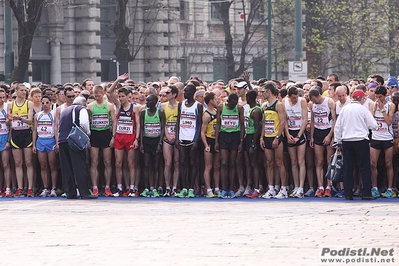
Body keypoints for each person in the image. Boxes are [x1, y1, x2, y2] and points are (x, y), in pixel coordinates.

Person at [334, 90, 378, 200]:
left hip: (347, 140)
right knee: (364, 167)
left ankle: (348, 193)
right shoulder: (363, 109)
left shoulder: (345, 109)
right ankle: (366, 192)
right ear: (361, 99)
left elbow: (338, 126)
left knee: (348, 167)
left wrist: (338, 140)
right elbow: (373, 125)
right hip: (361, 140)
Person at [57, 96, 97, 199]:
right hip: (74, 139)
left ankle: (70, 192)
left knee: (67, 167)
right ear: (84, 104)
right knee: (79, 166)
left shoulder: (65, 110)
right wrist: (87, 134)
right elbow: (83, 123)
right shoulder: (81, 109)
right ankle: (84, 192)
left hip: (62, 140)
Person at [260, 81, 288, 199]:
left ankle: (284, 188)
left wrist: (277, 137)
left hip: (276, 137)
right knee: (269, 163)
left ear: (269, 91)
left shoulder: (278, 104)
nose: (261, 94)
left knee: (279, 162)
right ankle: (271, 188)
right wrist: (262, 137)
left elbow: (282, 121)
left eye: (263, 92)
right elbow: (264, 122)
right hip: (267, 136)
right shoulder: (264, 105)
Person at [87, 84, 116, 196]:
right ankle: (95, 187)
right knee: (94, 161)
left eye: (99, 96)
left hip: (105, 134)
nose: (97, 98)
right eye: (95, 96)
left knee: (107, 162)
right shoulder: (90, 106)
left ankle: (107, 186)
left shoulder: (109, 106)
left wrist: (113, 137)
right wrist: (87, 138)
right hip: (94, 134)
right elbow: (87, 123)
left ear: (103, 94)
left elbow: (114, 122)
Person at [175, 84, 203, 198]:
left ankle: (191, 188)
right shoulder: (181, 104)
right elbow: (178, 121)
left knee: (192, 163)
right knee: (182, 163)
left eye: (186, 91)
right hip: (182, 138)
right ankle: (184, 188)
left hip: (192, 138)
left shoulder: (198, 106)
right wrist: (177, 138)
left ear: (192, 93)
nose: (184, 93)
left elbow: (200, 124)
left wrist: (197, 140)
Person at [7, 83, 34, 197]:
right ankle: (19, 188)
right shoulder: (11, 105)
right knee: (18, 163)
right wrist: (9, 119)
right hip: (16, 134)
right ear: (16, 92)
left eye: (25, 90)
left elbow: (30, 120)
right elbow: (8, 123)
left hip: (26, 133)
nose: (24, 92)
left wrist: (20, 118)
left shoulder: (29, 103)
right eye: (22, 90)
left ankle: (30, 188)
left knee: (28, 162)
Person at [309, 87, 336, 197]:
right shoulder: (312, 105)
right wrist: (311, 136)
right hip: (318, 132)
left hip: (327, 130)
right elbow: (312, 120)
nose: (314, 102)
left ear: (318, 96)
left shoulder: (329, 102)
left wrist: (330, 135)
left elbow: (334, 120)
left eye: (314, 99)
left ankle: (328, 186)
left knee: (328, 161)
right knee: (319, 161)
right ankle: (320, 187)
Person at [370, 85, 395, 198]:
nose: (378, 99)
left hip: (387, 137)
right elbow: (369, 121)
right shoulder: (372, 104)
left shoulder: (391, 105)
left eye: (380, 97)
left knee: (388, 163)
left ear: (385, 96)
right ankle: (374, 187)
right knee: (373, 163)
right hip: (376, 137)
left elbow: (389, 121)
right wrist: (374, 110)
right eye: (376, 97)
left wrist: (382, 109)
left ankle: (389, 188)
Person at [283, 86, 308, 198]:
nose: (296, 99)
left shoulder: (302, 101)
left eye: (297, 96)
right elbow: (284, 120)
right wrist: (288, 135)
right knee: (293, 161)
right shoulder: (284, 101)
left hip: (299, 131)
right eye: (293, 98)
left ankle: (301, 188)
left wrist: (298, 136)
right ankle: (296, 186)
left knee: (300, 161)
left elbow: (305, 119)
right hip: (290, 131)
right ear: (289, 96)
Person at [139, 94, 165, 197]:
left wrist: (160, 143)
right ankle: (146, 188)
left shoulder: (160, 113)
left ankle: (155, 188)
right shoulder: (143, 113)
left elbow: (163, 128)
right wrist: (141, 143)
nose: (147, 103)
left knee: (156, 166)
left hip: (156, 141)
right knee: (146, 165)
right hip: (146, 141)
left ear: (154, 102)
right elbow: (141, 128)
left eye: (149, 101)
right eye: (146, 101)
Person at [32, 95, 58, 197]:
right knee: (43, 166)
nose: (45, 105)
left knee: (52, 165)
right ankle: (45, 187)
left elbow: (56, 129)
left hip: (50, 141)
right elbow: (34, 131)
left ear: (51, 103)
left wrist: (57, 142)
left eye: (47, 102)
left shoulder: (54, 114)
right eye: (43, 103)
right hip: (40, 141)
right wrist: (34, 144)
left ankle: (54, 188)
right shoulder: (38, 115)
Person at [160, 85, 180, 197]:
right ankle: (167, 187)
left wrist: (176, 137)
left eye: (168, 93)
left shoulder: (180, 106)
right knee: (168, 163)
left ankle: (175, 187)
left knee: (177, 162)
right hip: (167, 137)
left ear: (174, 94)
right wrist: (167, 135)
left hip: (177, 137)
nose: (165, 95)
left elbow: (180, 123)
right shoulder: (162, 106)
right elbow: (163, 123)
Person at [201, 92, 221, 198]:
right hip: (209, 140)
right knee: (208, 166)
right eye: (215, 98)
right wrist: (206, 145)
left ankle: (217, 188)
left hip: (216, 140)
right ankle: (209, 189)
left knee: (217, 166)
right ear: (210, 101)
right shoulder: (206, 114)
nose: (217, 100)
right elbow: (202, 132)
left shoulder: (217, 111)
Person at [0, 89, 11, 197]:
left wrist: (8, 140)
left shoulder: (8, 107)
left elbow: (10, 125)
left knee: (5, 164)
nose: (2, 100)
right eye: (0, 97)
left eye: (3, 97)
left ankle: (7, 188)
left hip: (4, 136)